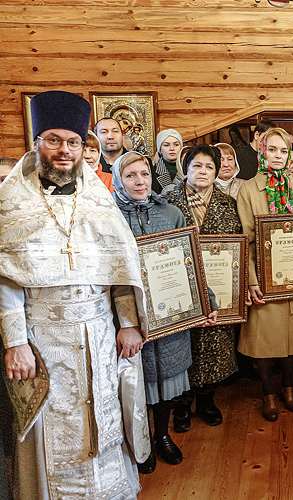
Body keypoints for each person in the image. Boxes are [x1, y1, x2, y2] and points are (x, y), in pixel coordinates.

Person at [0, 90, 149, 498]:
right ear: (37, 143)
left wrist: (130, 323)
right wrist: (15, 343)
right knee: (54, 430)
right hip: (42, 339)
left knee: (102, 416)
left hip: (99, 334)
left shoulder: (98, 200)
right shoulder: (11, 201)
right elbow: (6, 279)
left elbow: (119, 264)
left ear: (84, 148)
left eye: (73, 142)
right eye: (54, 140)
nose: (64, 151)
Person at [112, 151, 205, 473]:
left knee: (166, 379)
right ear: (117, 179)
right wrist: (125, 321)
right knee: (136, 384)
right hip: (127, 315)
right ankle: (138, 441)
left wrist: (205, 300)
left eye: (144, 175)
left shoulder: (172, 212)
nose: (139, 182)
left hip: (171, 310)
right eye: (130, 176)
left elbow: (192, 259)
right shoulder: (109, 216)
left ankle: (161, 435)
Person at [237, 127, 293, 421]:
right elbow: (245, 239)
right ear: (262, 151)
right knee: (265, 339)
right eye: (272, 149)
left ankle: (289, 388)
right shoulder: (248, 189)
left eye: (283, 151)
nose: (278, 156)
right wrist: (250, 279)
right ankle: (269, 393)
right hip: (263, 275)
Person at [163, 145, 241, 428]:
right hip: (178, 284)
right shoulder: (168, 200)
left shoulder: (227, 202)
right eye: (197, 166)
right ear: (186, 167)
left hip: (217, 283)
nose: (203, 172)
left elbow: (236, 243)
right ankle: (182, 405)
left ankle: (207, 401)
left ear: (217, 170)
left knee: (213, 342)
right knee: (184, 345)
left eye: (209, 167)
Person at [151, 129, 183, 194]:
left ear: (181, 147)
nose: (172, 148)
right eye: (166, 145)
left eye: (176, 145)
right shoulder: (152, 172)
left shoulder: (189, 169)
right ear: (160, 149)